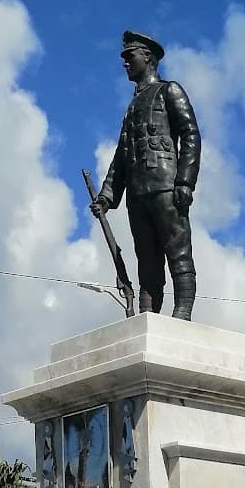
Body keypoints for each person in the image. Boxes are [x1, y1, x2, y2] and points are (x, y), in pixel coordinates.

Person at [91, 30, 201, 320]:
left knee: (177, 252)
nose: (125, 63)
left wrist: (185, 181)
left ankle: (182, 313)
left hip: (166, 187)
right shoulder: (131, 108)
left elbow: (190, 134)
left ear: (148, 57)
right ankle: (146, 315)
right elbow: (122, 156)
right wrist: (106, 196)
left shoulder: (169, 91)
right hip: (137, 194)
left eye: (130, 56)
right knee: (147, 262)